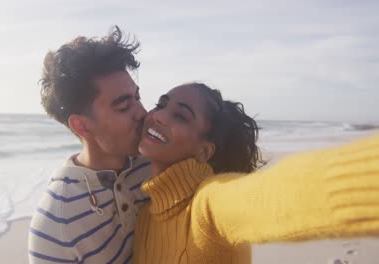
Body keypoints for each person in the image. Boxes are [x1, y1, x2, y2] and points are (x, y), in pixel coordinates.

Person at [133, 82, 379, 264]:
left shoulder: (209, 206)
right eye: (161, 104)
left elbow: (279, 193)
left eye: (181, 116)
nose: (159, 117)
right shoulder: (143, 215)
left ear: (204, 151)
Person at [28, 26, 151, 264]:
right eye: (124, 107)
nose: (142, 113)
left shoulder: (152, 163)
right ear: (82, 126)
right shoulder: (57, 222)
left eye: (137, 98)